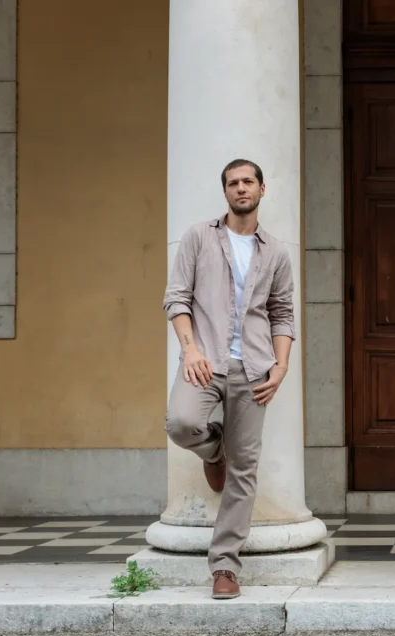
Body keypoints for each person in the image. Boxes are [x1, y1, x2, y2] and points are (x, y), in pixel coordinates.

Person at [162, 159, 295, 600]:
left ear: (261, 189)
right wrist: (191, 349)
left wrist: (280, 366)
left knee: (246, 469)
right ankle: (214, 451)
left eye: (248, 182)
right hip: (205, 361)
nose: (241, 188)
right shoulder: (200, 238)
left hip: (254, 367)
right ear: (225, 192)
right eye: (233, 183)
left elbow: (282, 312)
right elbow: (176, 298)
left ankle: (224, 567)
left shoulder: (275, 251)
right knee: (181, 423)